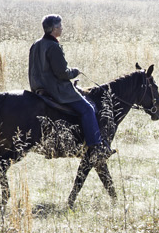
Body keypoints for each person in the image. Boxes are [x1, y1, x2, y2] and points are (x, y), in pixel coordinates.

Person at [28, 14, 106, 153]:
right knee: (88, 109)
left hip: (37, 87)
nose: (62, 29)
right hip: (55, 90)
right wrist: (74, 72)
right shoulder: (53, 47)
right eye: (60, 26)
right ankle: (95, 145)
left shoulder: (36, 44)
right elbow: (62, 73)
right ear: (53, 29)